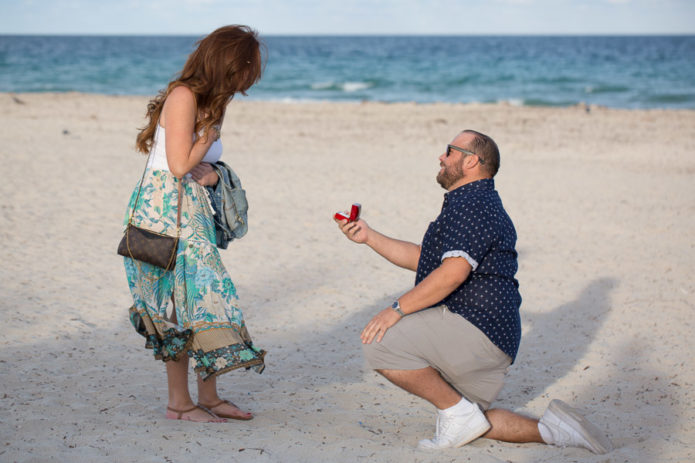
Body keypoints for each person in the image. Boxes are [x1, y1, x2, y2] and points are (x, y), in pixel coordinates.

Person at [335, 130, 613, 453]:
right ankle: (556, 430)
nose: (441, 157)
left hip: (477, 330)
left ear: (471, 161)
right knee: (473, 420)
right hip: (495, 341)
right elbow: (422, 259)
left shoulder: (472, 203)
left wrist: (395, 310)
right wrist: (368, 236)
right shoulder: (476, 201)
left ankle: (455, 411)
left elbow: (452, 274)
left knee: (379, 342)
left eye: (449, 151)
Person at [122, 25, 266, 423]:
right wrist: (207, 138)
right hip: (163, 212)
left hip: (191, 210)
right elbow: (178, 164)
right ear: (227, 64)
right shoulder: (184, 96)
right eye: (245, 71)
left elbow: (200, 166)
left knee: (202, 300)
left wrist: (215, 176)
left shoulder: (211, 101)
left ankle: (210, 396)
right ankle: (179, 404)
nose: (246, 81)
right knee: (176, 304)